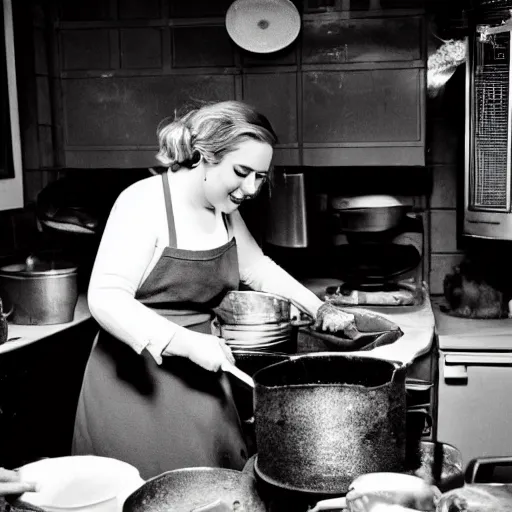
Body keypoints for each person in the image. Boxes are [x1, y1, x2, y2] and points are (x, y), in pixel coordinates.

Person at [72, 100, 357, 479]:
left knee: (219, 488)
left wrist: (318, 308)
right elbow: (106, 297)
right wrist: (188, 342)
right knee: (152, 493)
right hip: (134, 382)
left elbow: (255, 267)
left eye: (260, 176)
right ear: (206, 155)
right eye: (242, 172)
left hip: (203, 371)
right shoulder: (143, 202)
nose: (251, 188)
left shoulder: (223, 208)